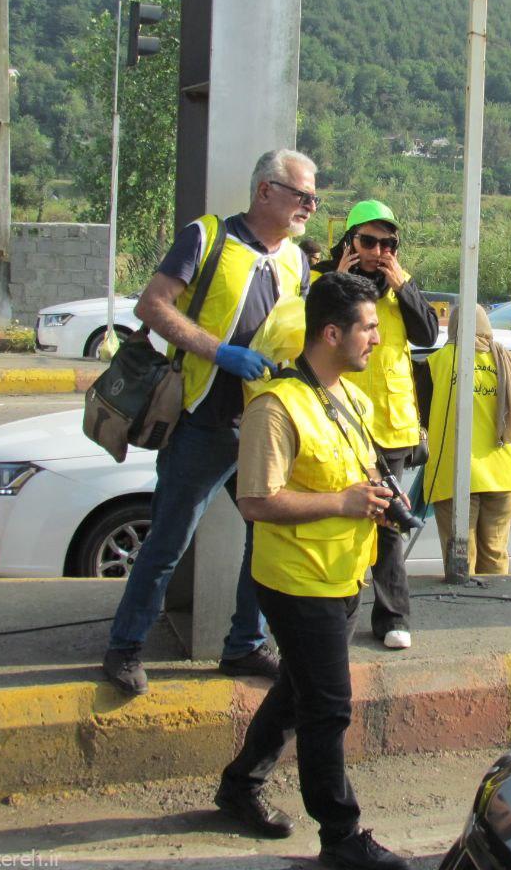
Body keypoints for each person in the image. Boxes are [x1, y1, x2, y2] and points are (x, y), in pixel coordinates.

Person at [102, 149, 315, 696]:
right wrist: (220, 353)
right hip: (202, 420)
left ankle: (245, 645)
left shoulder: (296, 261)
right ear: (265, 190)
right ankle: (125, 647)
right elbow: (153, 306)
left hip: (261, 424)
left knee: (265, 538)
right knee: (168, 540)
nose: (309, 208)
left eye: (314, 198)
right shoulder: (207, 237)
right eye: (301, 196)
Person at [217, 272, 411, 870]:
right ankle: (341, 836)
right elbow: (255, 501)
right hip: (299, 583)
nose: (377, 339)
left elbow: (350, 474)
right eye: (369, 328)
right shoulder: (276, 407)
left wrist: (375, 499)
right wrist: (343, 503)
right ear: (332, 333)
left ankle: (239, 784)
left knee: (299, 688)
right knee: (328, 707)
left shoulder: (348, 396)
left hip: (343, 574)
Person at [312, 200, 439, 650]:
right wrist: (337, 279)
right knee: (341, 520)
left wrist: (402, 282)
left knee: (389, 525)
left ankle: (392, 618)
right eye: (368, 241)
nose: (378, 251)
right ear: (349, 241)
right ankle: (333, 616)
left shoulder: (400, 288)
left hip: (392, 425)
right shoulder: (323, 280)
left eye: (388, 243)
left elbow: (428, 334)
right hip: (336, 420)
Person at [416, 305, 511, 576]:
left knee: (461, 558)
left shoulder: (437, 363)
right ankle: (492, 612)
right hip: (503, 473)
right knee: (495, 552)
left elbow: (420, 418)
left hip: (454, 475)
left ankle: (463, 611)